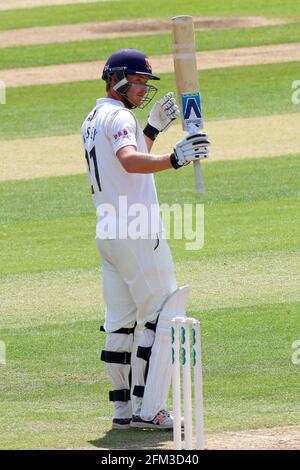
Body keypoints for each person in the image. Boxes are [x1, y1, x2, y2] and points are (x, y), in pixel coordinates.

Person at [81, 49, 210, 429]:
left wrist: (150, 132)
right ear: (115, 78)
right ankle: (149, 409)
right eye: (136, 81)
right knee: (163, 315)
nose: (142, 89)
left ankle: (123, 411)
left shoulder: (94, 116)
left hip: (109, 231)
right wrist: (175, 158)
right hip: (138, 231)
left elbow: (129, 162)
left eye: (144, 83)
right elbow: (128, 160)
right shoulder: (120, 116)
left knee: (121, 323)